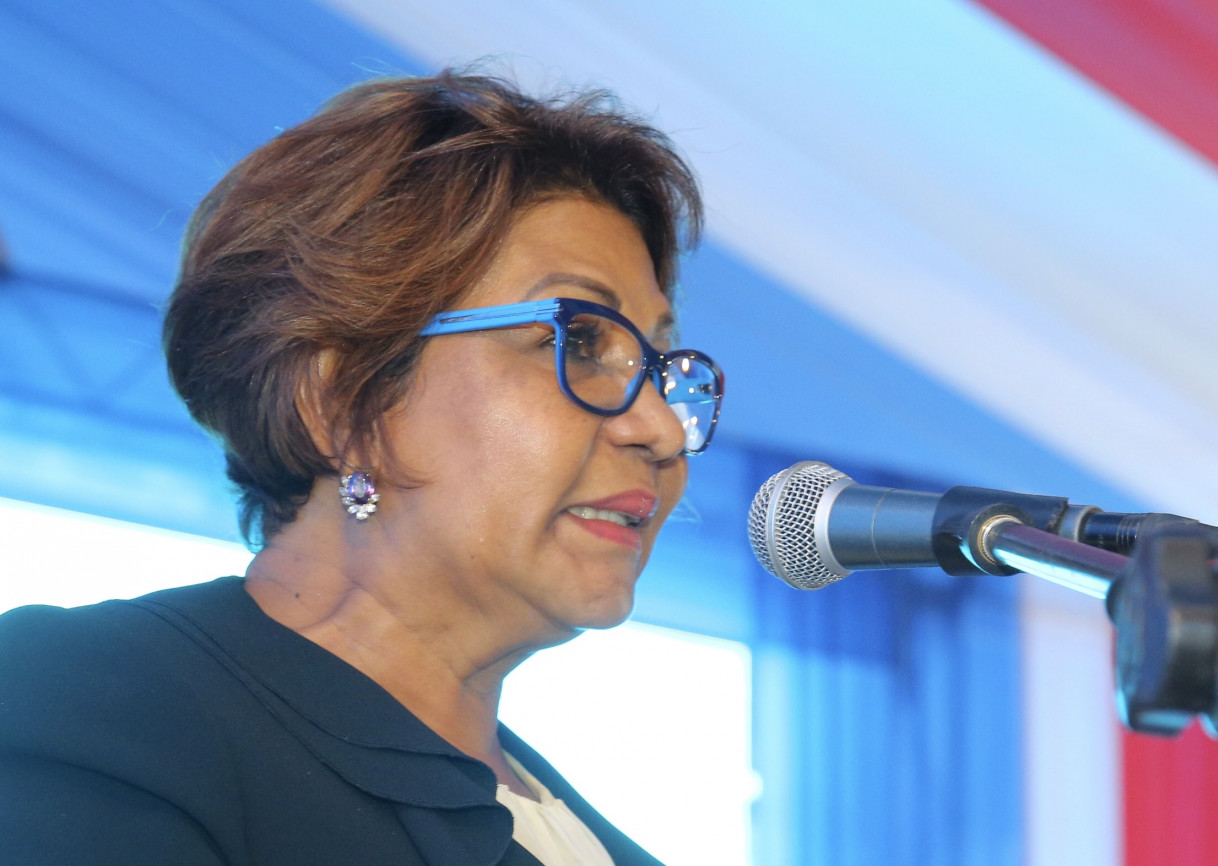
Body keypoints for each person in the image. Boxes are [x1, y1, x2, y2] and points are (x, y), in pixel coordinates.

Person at [0, 70, 723, 865]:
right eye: (578, 341)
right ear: (341, 402)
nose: (661, 428)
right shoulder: (94, 709)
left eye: (661, 368)